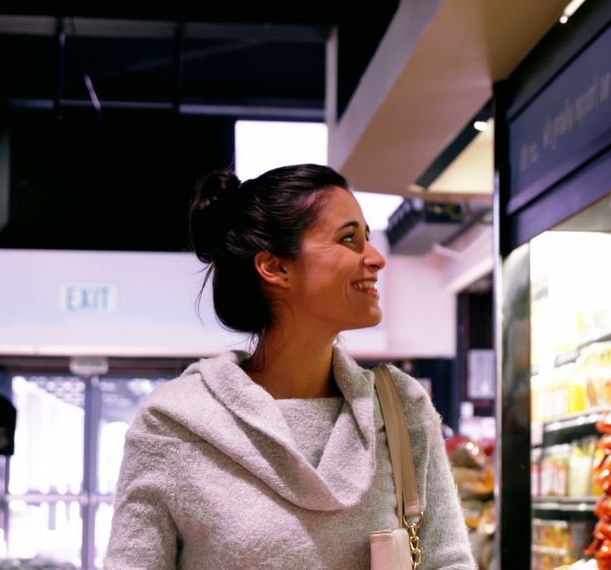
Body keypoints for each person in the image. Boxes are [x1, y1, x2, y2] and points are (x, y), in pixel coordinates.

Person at [104, 164, 475, 569]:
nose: (377, 258)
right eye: (349, 239)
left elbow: (446, 561)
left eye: (367, 238)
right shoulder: (174, 424)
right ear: (275, 267)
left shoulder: (400, 408)